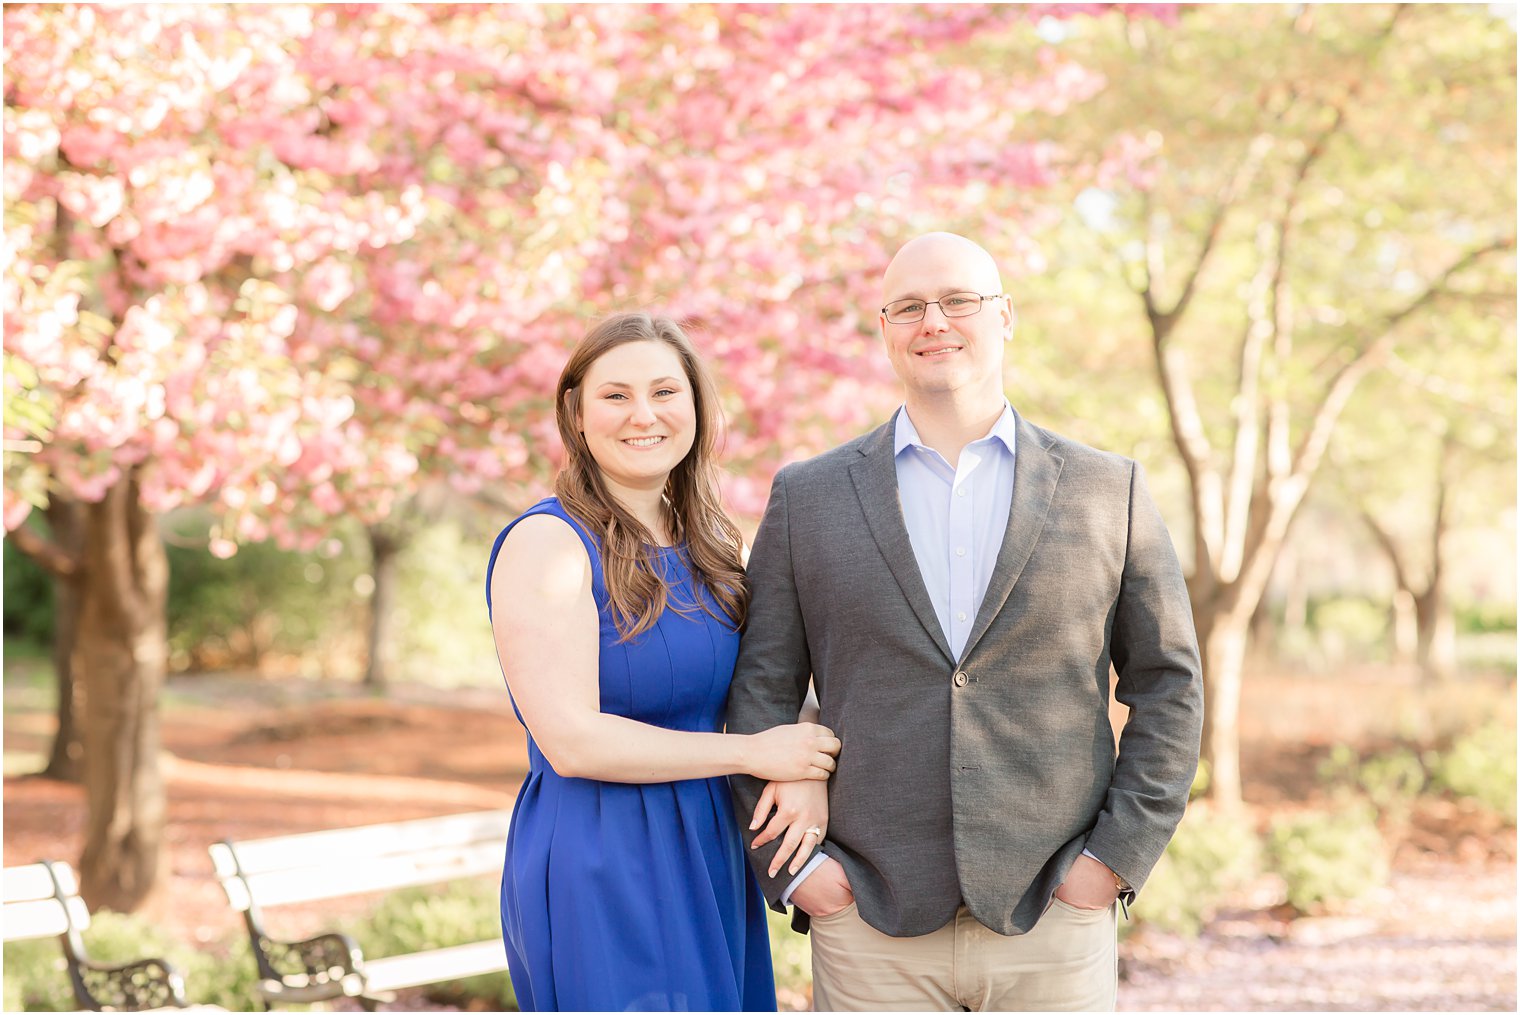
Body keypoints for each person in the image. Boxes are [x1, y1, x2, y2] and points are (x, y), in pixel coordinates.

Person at [726, 232, 1204, 1012]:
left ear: (1005, 317)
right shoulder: (807, 499)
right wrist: (802, 876)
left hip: (1053, 914)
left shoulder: (1104, 488)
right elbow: (756, 694)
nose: (933, 322)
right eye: (908, 306)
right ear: (884, 328)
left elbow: (1170, 687)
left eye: (959, 301)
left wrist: (1110, 863)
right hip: (870, 921)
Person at [487, 312, 841, 1012]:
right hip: (603, 855)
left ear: (696, 409)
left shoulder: (709, 546)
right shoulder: (547, 544)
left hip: (707, 848)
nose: (642, 414)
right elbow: (572, 740)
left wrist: (804, 769)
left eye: (664, 392)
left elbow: (758, 685)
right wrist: (753, 751)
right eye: (615, 395)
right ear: (577, 415)